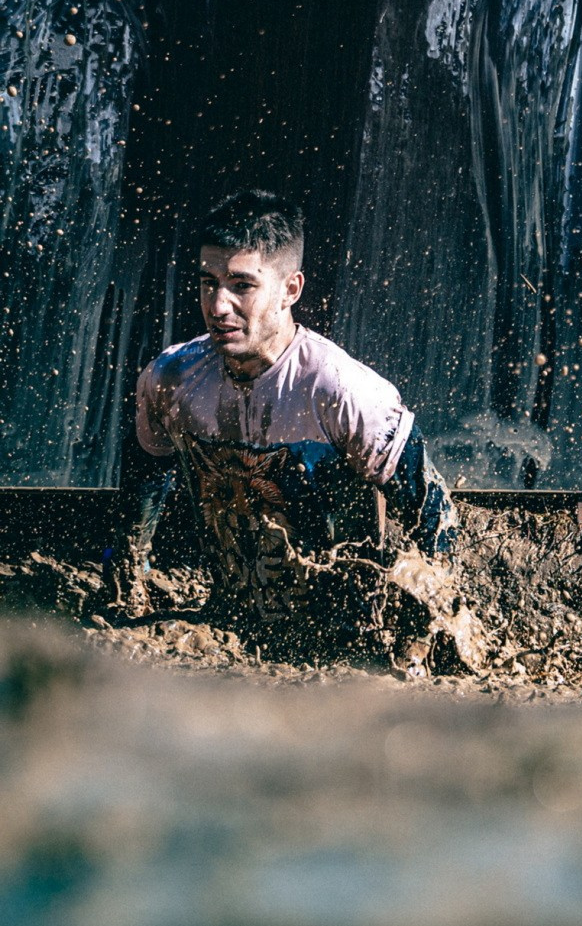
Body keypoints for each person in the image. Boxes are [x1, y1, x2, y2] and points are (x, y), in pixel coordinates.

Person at [109, 190, 457, 619]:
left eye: (242, 286)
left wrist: (432, 622)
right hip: (229, 620)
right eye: (208, 283)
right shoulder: (172, 378)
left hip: (341, 629)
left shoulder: (340, 391)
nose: (218, 306)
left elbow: (434, 512)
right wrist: (130, 583)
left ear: (290, 289)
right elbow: (144, 482)